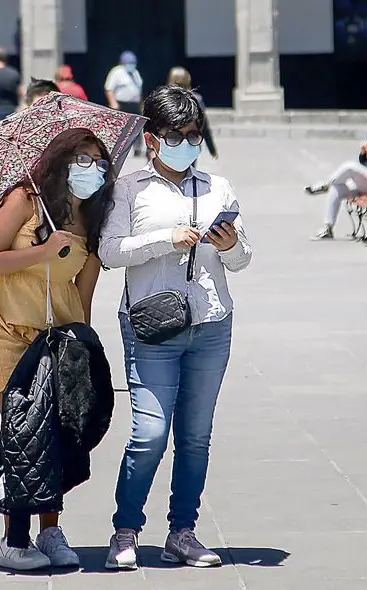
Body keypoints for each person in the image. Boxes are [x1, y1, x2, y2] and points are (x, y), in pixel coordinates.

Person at [98, 85, 253, 570]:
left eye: (194, 134)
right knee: (149, 432)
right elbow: (109, 252)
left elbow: (244, 258)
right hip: (152, 326)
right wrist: (166, 239)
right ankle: (125, 530)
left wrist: (228, 245)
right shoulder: (128, 189)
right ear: (152, 138)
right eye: (177, 135)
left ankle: (182, 532)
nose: (187, 143)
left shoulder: (217, 187)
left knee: (195, 436)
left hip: (210, 324)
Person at [0, 127, 116, 570]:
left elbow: (84, 290)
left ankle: (50, 530)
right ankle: (14, 540)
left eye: (99, 162)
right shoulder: (24, 200)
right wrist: (45, 250)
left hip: (58, 332)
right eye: (83, 160)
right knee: (23, 431)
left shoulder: (93, 215)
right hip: (7, 326)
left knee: (56, 429)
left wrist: (83, 351)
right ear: (62, 161)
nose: (92, 170)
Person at [306, 109, 367, 240]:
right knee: (337, 188)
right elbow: (366, 166)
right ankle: (328, 227)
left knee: (350, 166)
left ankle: (325, 184)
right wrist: (364, 154)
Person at [166, 67, 218, 161]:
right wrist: (212, 149)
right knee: (189, 172)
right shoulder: (197, 99)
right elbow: (204, 126)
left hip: (170, 143)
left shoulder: (164, 100)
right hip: (191, 143)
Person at [104, 51, 144, 156]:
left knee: (137, 126)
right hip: (122, 104)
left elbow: (138, 89)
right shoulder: (116, 72)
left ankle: (137, 149)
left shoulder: (135, 73)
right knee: (122, 127)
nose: (131, 64)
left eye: (133, 62)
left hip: (134, 104)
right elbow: (109, 88)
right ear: (123, 63)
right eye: (129, 62)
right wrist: (113, 103)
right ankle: (119, 150)